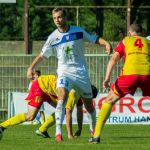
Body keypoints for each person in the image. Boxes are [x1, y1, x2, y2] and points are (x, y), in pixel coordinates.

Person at [27, 8, 112, 142]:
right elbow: (42, 55)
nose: (57, 21)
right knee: (62, 97)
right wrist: (31, 67)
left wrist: (106, 43)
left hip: (81, 72)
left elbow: (94, 38)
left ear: (65, 17)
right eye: (55, 18)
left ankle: (94, 133)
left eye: (60, 17)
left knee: (89, 107)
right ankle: (58, 133)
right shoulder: (52, 37)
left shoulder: (78, 31)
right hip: (64, 71)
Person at [89, 24, 150, 144]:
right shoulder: (147, 42)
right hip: (147, 74)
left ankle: (96, 136)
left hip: (129, 75)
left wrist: (106, 79)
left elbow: (114, 59)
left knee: (109, 101)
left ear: (129, 33)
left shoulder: (126, 40)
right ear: (142, 33)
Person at [0, 74, 95, 139]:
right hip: (41, 86)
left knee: (62, 110)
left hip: (50, 91)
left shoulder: (80, 92)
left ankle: (42, 130)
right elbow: (69, 112)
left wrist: (79, 129)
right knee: (30, 116)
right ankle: (2, 126)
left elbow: (79, 112)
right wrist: (70, 135)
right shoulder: (74, 93)